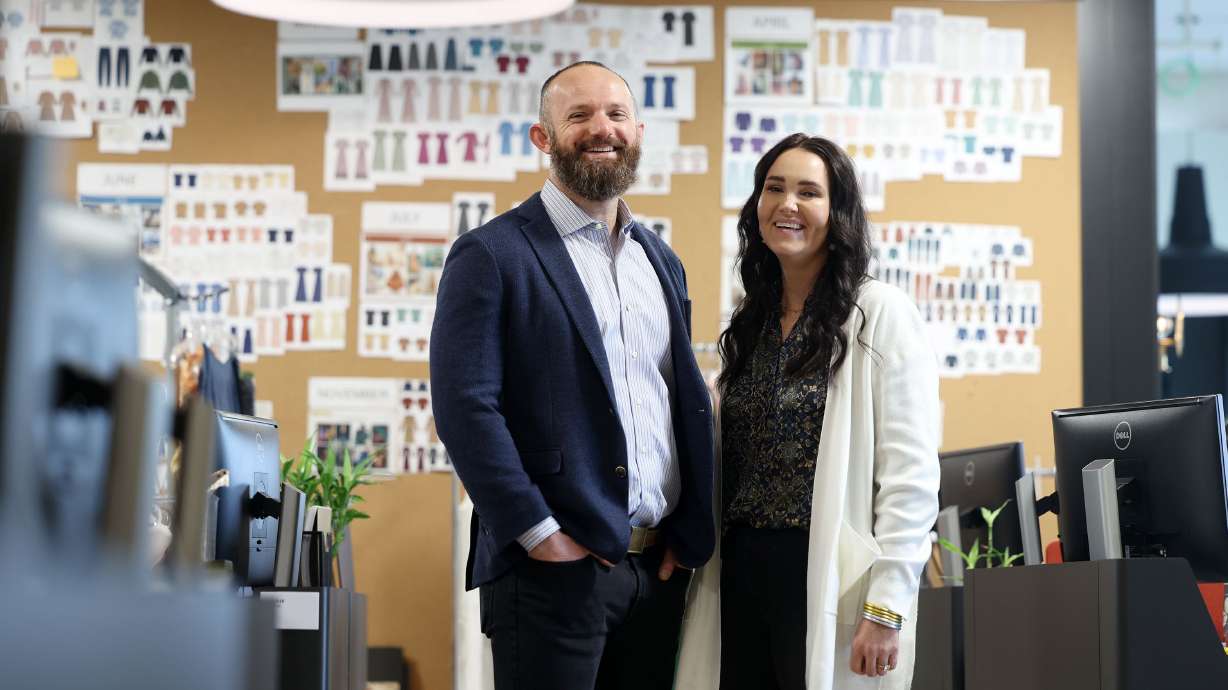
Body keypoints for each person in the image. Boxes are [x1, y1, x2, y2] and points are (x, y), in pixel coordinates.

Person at [430, 61, 716, 690]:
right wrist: (538, 534)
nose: (601, 129)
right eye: (578, 115)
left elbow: (673, 402)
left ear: (638, 130)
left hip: (653, 573)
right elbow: (465, 407)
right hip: (551, 573)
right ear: (543, 138)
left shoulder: (659, 260)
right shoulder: (492, 254)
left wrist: (686, 530)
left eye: (615, 114)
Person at [675, 133, 941, 690]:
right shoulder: (752, 322)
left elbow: (910, 476)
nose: (787, 205)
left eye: (807, 192)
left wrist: (887, 605)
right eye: (774, 189)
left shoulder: (878, 314)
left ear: (836, 211)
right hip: (740, 573)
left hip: (825, 578)